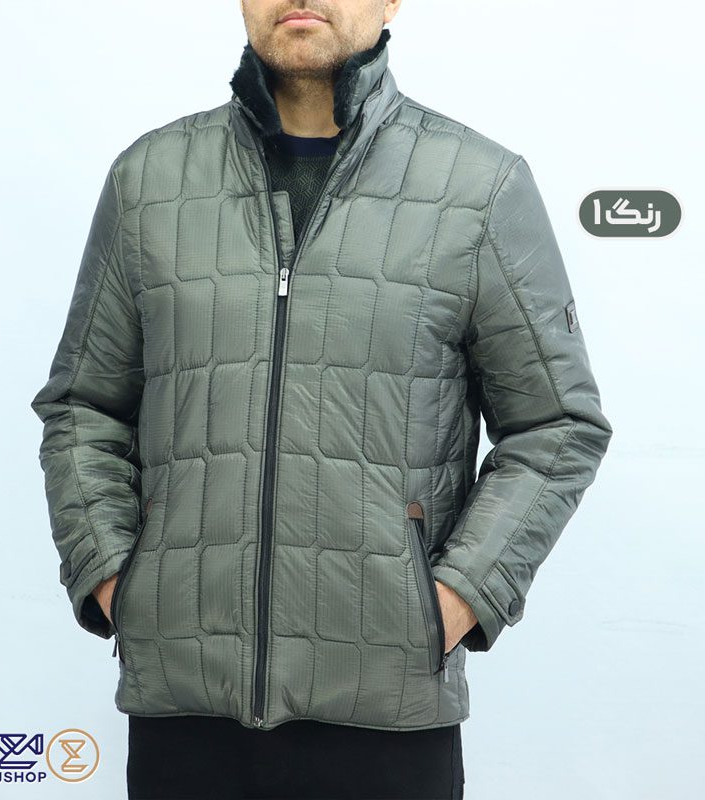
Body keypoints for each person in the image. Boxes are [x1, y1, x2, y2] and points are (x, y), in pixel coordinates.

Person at [30, 1, 613, 797]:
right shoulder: (150, 181)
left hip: (388, 723)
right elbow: (82, 408)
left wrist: (454, 600)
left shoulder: (478, 188)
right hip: (185, 719)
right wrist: (118, 583)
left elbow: (556, 425)